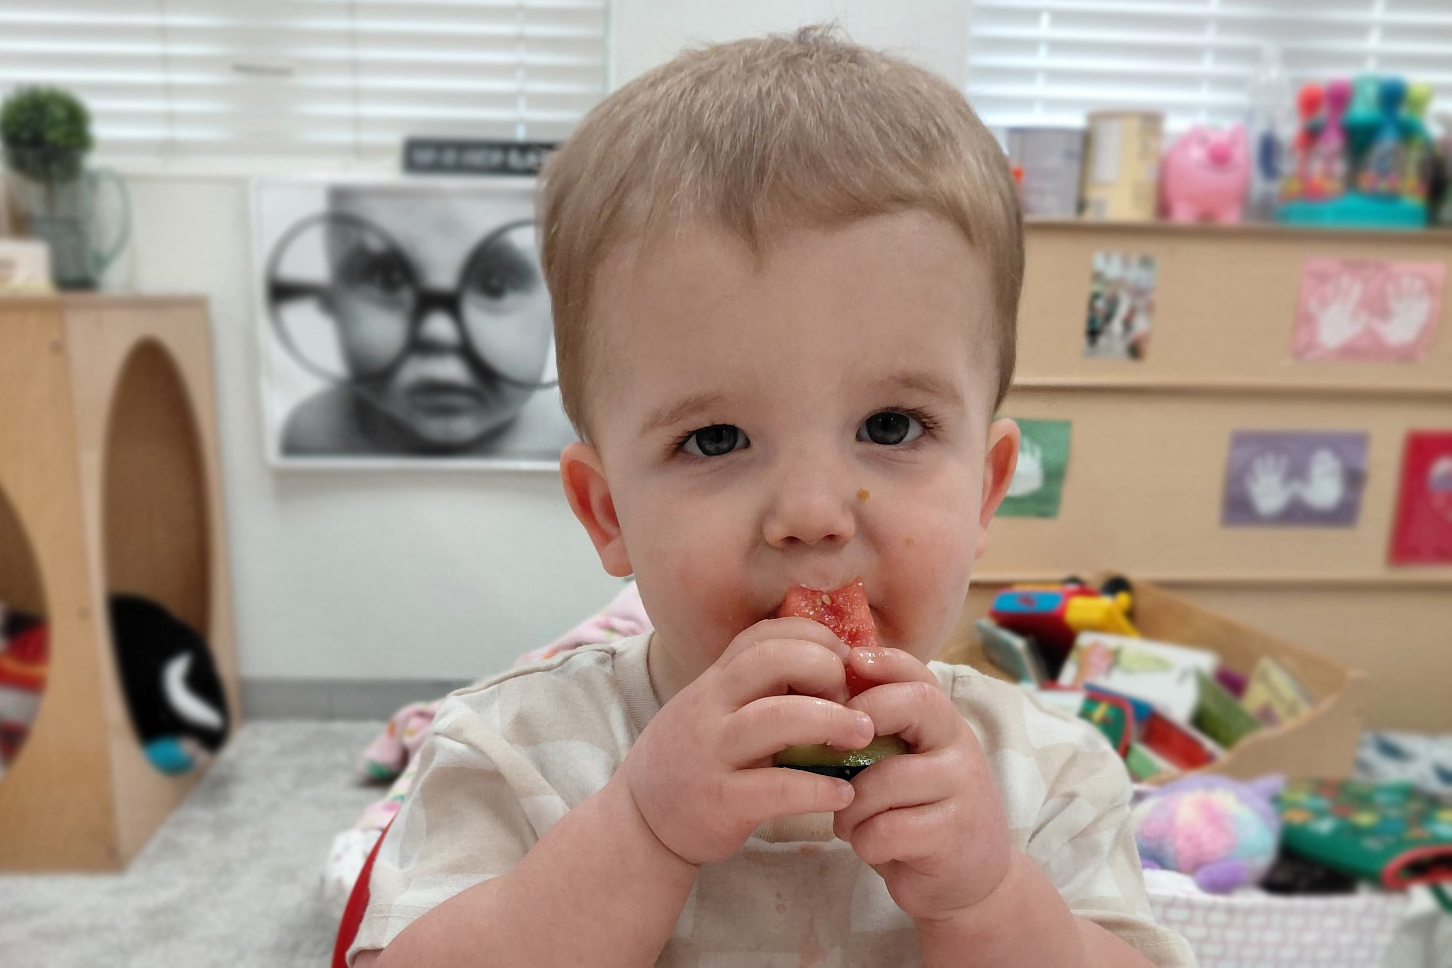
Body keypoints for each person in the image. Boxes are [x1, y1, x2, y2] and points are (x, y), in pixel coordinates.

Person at [350, 27, 1196, 968]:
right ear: (607, 512)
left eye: (891, 427)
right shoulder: (518, 751)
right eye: (716, 439)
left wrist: (990, 901)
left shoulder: (1047, 775)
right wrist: (642, 827)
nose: (814, 513)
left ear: (988, 489)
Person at [273, 185, 569, 458]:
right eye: (388, 280)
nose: (438, 332)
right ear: (331, 299)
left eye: (495, 285)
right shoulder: (314, 435)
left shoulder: (568, 444)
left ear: (560, 309)